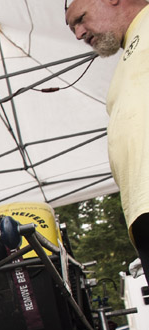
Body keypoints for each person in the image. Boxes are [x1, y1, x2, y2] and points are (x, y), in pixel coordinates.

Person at [66, 0, 149, 286]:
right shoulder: (129, 56)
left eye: (80, 19)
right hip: (141, 210)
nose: (78, 34)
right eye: (72, 28)